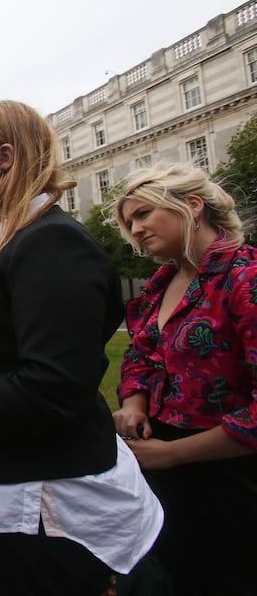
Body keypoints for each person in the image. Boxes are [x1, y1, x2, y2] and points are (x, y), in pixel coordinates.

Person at [0, 100, 163, 595]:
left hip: (46, 502)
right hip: (15, 490)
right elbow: (13, 346)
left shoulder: (53, 243)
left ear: (4, 157)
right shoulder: (13, 242)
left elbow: (53, 384)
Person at [112, 162, 257, 596]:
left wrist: (172, 455)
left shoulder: (245, 279)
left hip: (233, 477)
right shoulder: (161, 284)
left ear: (192, 206)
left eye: (142, 214)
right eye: (129, 222)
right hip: (163, 467)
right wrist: (135, 402)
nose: (134, 230)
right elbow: (141, 354)